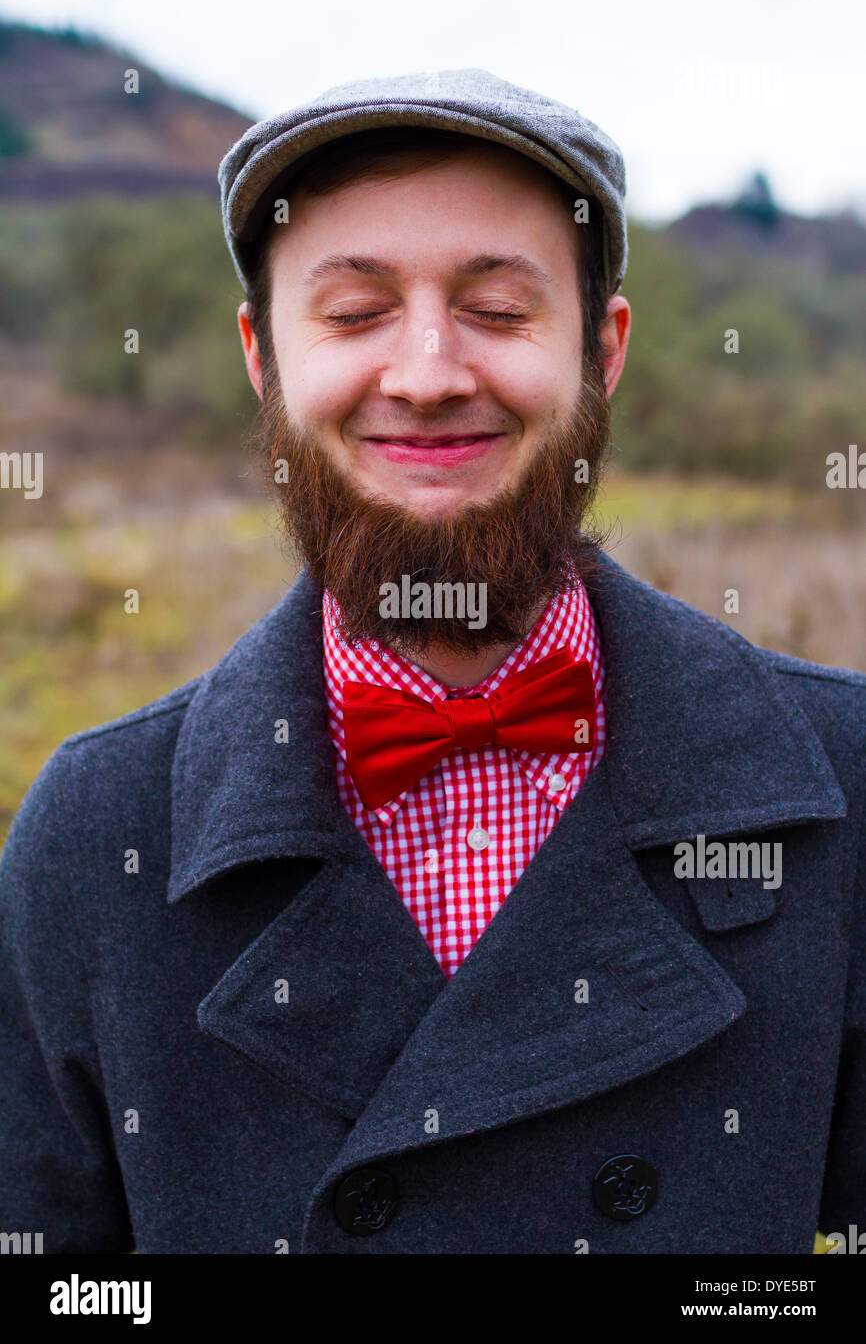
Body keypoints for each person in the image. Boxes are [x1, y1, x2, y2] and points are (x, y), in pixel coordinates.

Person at [0, 69, 863, 1255]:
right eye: (353, 313)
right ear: (262, 357)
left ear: (601, 352)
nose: (424, 374)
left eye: (498, 311)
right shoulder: (92, 838)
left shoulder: (844, 789)